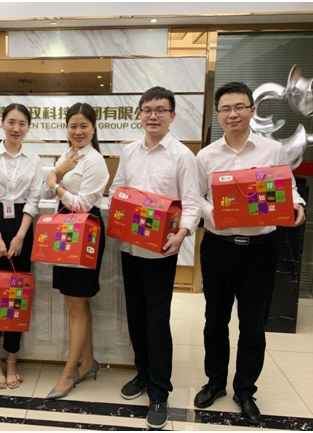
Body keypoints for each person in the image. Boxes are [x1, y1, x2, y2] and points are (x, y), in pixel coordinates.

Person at [194, 82, 306, 425]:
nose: (233, 114)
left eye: (240, 107)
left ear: (252, 110)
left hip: (260, 250)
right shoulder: (206, 156)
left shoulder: (272, 151)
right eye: (226, 109)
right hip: (218, 248)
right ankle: (215, 382)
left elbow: (288, 189)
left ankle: (244, 390)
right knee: (215, 320)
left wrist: (297, 205)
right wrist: (211, 213)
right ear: (218, 114)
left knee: (253, 324)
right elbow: (195, 196)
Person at [108, 87, 200, 429]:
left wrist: (182, 233)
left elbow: (191, 202)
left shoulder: (182, 156)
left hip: (161, 250)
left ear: (172, 116)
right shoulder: (129, 152)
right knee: (135, 315)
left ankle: (160, 391)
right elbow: (117, 189)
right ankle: (143, 374)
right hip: (130, 247)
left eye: (161, 110)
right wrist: (124, 202)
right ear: (140, 114)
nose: (153, 116)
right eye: (147, 109)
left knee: (157, 320)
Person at [43, 102, 110, 400]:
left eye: (84, 126)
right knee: (76, 303)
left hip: (84, 233)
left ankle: (69, 374)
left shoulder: (95, 161)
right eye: (73, 126)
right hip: (66, 231)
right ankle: (87, 362)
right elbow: (45, 189)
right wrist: (57, 173)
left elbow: (82, 204)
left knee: (77, 303)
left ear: (94, 128)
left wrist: (55, 183)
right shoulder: (68, 155)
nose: (78, 131)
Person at [0, 103, 43, 390]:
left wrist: (20, 236)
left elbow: (34, 199)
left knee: (17, 294)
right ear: (2, 123)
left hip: (21, 227)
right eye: (11, 122)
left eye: (22, 123)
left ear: (28, 127)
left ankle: (12, 357)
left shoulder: (34, 159)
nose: (16, 128)